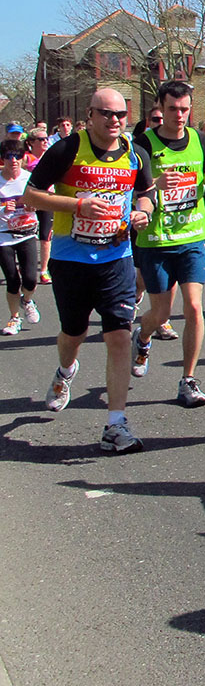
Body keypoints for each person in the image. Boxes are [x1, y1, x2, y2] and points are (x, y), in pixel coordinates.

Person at [23, 88, 154, 453]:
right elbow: (31, 196)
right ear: (90, 115)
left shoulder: (134, 152)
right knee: (73, 333)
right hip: (70, 260)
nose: (115, 121)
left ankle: (115, 424)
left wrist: (143, 210)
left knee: (118, 337)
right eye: (106, 114)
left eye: (120, 115)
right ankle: (66, 370)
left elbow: (147, 194)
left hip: (116, 258)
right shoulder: (66, 149)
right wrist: (76, 204)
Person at [131, 80, 205, 408]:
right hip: (156, 240)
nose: (179, 115)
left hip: (192, 236)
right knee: (161, 312)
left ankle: (188, 380)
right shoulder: (143, 143)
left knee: (194, 307)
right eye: (173, 109)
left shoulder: (199, 139)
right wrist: (155, 183)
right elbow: (132, 188)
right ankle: (142, 338)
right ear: (160, 108)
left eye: (185, 109)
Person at [0, 140, 41, 335]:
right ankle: (14, 318)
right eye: (9, 156)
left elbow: (41, 201)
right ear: (3, 159)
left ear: (23, 158)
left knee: (31, 278)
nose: (13, 160)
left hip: (26, 234)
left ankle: (27, 300)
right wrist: (1, 208)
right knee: (12, 279)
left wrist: (34, 206)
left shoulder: (29, 179)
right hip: (3, 236)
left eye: (17, 156)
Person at [24, 128, 55, 284]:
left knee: (45, 237)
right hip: (29, 201)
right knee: (26, 235)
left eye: (46, 139)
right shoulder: (26, 159)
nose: (45, 142)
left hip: (46, 200)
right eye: (41, 139)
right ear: (31, 143)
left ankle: (44, 270)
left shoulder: (50, 158)